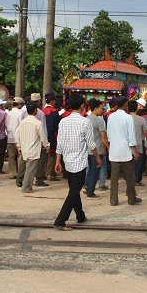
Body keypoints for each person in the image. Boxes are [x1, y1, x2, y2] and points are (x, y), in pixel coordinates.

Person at [54, 94, 99, 230]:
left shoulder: (63, 121)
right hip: (79, 162)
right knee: (74, 192)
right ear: (81, 106)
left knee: (74, 190)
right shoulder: (85, 122)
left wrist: (58, 161)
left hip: (67, 161)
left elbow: (59, 143)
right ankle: (60, 220)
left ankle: (80, 216)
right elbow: (91, 144)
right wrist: (98, 157)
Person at [106, 96, 141, 206]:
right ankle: (131, 198)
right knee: (130, 177)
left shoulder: (111, 117)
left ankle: (113, 200)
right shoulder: (128, 118)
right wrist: (134, 150)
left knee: (114, 179)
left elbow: (109, 136)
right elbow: (131, 136)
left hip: (114, 151)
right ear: (125, 104)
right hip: (126, 152)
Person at [15, 102, 49, 193]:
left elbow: (16, 135)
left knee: (25, 167)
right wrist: (47, 145)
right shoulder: (38, 123)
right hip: (33, 149)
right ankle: (26, 187)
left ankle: (23, 183)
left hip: (24, 148)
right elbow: (43, 136)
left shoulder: (22, 122)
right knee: (30, 170)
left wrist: (18, 146)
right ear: (35, 111)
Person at [84, 98, 109, 198]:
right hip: (97, 150)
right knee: (95, 171)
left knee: (90, 169)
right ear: (96, 108)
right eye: (101, 108)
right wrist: (109, 147)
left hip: (87, 150)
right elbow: (103, 138)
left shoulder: (86, 119)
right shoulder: (99, 121)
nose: (103, 111)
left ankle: (86, 186)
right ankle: (90, 192)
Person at [128, 100, 147, 183]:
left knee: (128, 169)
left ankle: (129, 185)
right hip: (138, 147)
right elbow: (146, 133)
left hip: (126, 148)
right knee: (136, 168)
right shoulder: (141, 119)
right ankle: (132, 186)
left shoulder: (125, 118)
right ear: (136, 108)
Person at [6, 97, 27, 179]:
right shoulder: (21, 113)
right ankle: (20, 173)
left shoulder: (8, 113)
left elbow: (6, 125)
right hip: (19, 138)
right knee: (19, 155)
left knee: (11, 157)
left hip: (10, 137)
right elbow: (22, 125)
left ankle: (13, 173)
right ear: (19, 104)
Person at [42, 92, 61, 182]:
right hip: (52, 136)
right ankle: (50, 173)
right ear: (52, 101)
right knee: (52, 155)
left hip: (43, 136)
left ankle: (42, 172)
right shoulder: (54, 112)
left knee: (44, 155)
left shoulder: (42, 111)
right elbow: (56, 126)